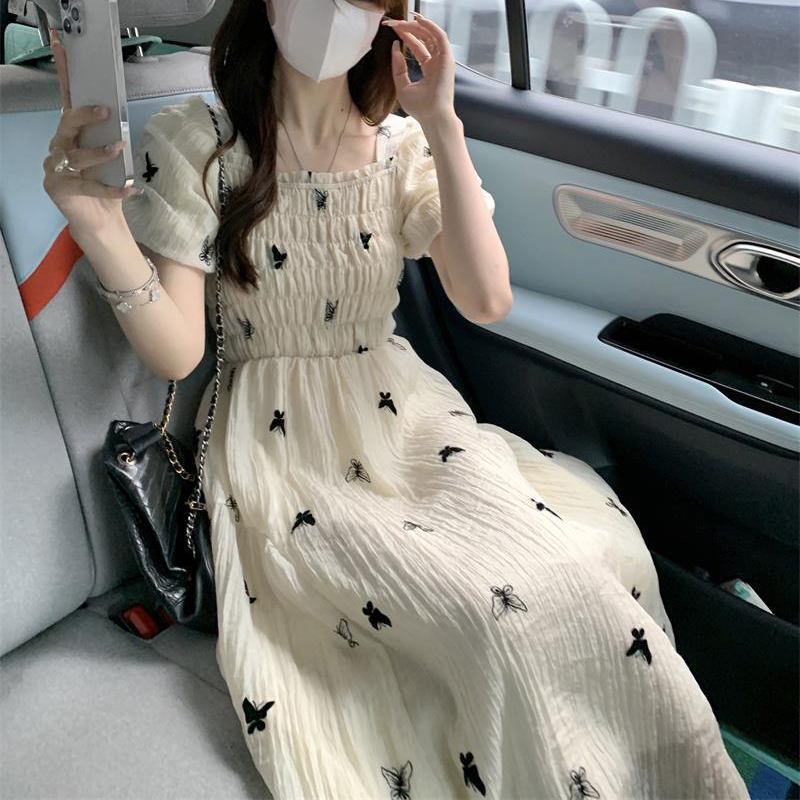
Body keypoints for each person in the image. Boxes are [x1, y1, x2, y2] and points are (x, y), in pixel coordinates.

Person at [43, 0, 748, 797]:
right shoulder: (199, 141)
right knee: (485, 613)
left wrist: (443, 123)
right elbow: (178, 351)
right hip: (285, 447)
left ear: (389, 17)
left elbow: (486, 299)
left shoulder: (402, 147)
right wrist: (98, 227)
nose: (335, 11)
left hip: (405, 417)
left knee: (585, 565)